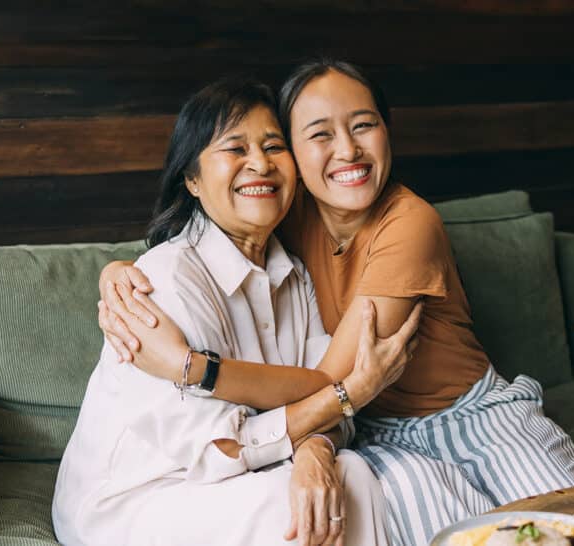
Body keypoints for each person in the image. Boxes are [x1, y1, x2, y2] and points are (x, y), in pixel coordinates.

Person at [100, 59, 574, 546]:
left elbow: (332, 380)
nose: (348, 151)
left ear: (387, 132)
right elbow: (208, 230)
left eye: (364, 126)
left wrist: (195, 368)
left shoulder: (409, 223)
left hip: (470, 415)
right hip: (375, 432)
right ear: (295, 153)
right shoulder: (285, 214)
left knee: (573, 524)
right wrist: (117, 272)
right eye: (319, 135)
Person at [53, 77, 419, 546]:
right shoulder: (163, 282)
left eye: (273, 146)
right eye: (235, 149)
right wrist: (353, 393)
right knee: (283, 503)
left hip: (239, 473)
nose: (260, 164)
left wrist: (315, 454)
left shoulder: (294, 276)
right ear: (192, 180)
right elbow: (217, 449)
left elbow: (323, 401)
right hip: (137, 498)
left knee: (350, 474)